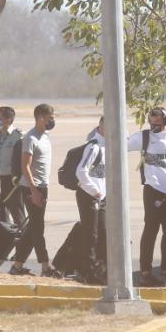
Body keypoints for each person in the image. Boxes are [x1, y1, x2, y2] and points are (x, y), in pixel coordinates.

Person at [127, 107, 166, 286]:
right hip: (153, 189)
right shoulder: (143, 137)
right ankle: (146, 272)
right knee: (150, 231)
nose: (154, 126)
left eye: (158, 123)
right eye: (152, 123)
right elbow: (121, 145)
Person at [10, 103, 61, 277]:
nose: (52, 121)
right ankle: (46, 266)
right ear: (40, 118)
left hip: (42, 187)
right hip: (32, 188)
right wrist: (34, 190)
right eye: (50, 118)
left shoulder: (44, 136)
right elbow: (25, 166)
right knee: (38, 228)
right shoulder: (30, 138)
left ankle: (17, 265)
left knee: (34, 227)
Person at [74, 118, 107, 281]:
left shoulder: (109, 146)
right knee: (91, 234)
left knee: (103, 232)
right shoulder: (93, 147)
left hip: (102, 197)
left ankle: (100, 269)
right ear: (100, 127)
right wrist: (96, 192)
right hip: (89, 195)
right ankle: (86, 271)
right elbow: (81, 172)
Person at [0, 106, 26, 228]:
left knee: (18, 214)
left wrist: (19, 179)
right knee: (1, 215)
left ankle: (23, 243)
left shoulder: (18, 136)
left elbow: (24, 160)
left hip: (12, 181)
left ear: (9, 120)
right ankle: (4, 242)